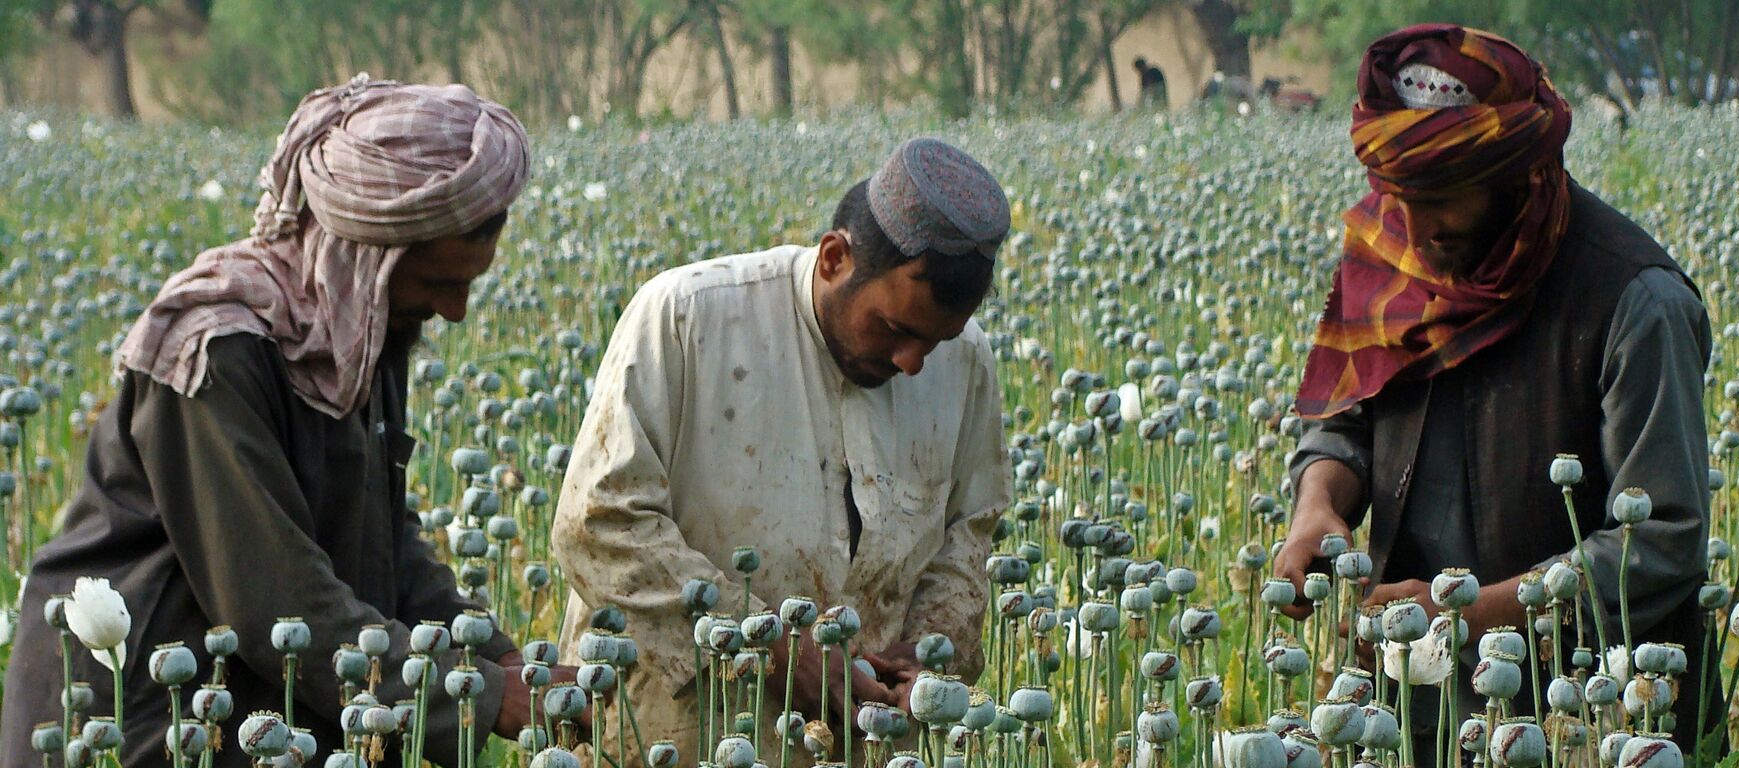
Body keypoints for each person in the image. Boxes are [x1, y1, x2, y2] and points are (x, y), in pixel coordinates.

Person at [0, 76, 570, 766]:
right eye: (438, 284)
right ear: (365, 261)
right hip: (144, 718)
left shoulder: (356, 335)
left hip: (271, 713)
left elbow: (388, 548)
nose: (454, 312)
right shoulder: (215, 353)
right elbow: (276, 604)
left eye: (468, 285)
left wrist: (500, 659)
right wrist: (478, 699)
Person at [1271, 24, 1714, 760]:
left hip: (1589, 723)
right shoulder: (1396, 254)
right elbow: (1343, 422)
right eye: (1400, 195)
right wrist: (1317, 507)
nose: (1417, 224)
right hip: (1406, 712)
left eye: (1443, 198)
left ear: (1516, 177)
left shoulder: (1635, 301)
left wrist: (1471, 612)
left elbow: (1662, 540)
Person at [551, 137, 1012, 763]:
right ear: (833, 259)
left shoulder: (965, 361)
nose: (913, 363)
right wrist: (771, 651)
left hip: (859, 743)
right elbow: (598, 522)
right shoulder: (687, 319)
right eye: (898, 331)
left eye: (936, 340)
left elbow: (969, 534)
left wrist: (932, 654)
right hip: (672, 734)